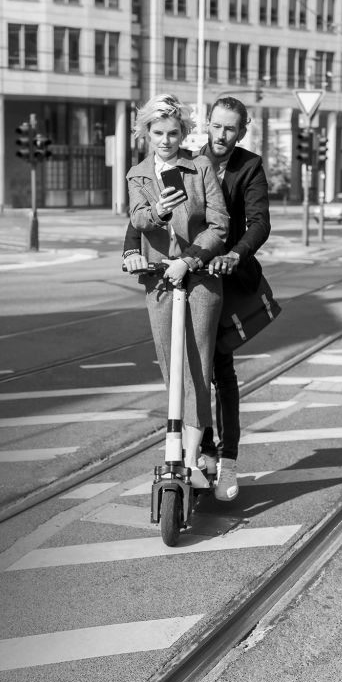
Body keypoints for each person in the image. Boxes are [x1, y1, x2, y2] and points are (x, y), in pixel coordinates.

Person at [123, 96, 271, 501]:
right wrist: (132, 246)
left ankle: (225, 462)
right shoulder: (163, 163)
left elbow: (253, 223)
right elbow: (136, 220)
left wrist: (226, 256)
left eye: (231, 129)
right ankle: (198, 458)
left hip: (220, 273)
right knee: (184, 373)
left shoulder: (243, 166)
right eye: (217, 127)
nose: (222, 135)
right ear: (206, 126)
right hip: (167, 277)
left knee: (215, 370)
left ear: (241, 131)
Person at [126, 94, 229, 489]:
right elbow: (136, 217)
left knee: (197, 368)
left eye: (172, 133)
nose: (166, 140)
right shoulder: (138, 174)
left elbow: (218, 223)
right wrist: (159, 213)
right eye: (158, 133)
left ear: (183, 133)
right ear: (146, 134)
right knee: (171, 366)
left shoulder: (200, 167)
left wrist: (189, 260)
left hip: (199, 278)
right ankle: (180, 448)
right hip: (160, 281)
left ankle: (192, 457)